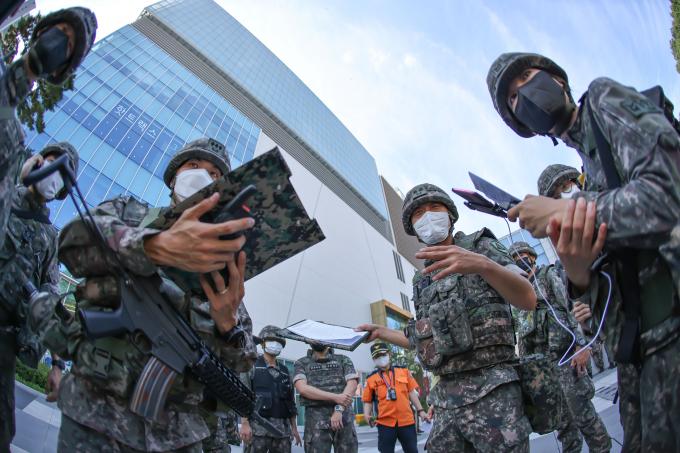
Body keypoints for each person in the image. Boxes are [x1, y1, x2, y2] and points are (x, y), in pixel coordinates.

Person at [487, 52, 680, 451]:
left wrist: (566, 210)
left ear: (557, 79)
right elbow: (606, 311)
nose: (524, 93)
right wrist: (579, 274)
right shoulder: (592, 169)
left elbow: (669, 193)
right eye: (512, 99)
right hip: (642, 356)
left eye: (527, 76)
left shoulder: (604, 98)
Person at [35, 137, 258, 452]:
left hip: (177, 437)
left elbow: (243, 362)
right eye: (194, 165)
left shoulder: (221, 269)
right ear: (173, 178)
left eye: (214, 174)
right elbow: (71, 242)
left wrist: (228, 325)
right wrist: (152, 247)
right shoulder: (130, 213)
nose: (203, 176)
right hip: (96, 411)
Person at [357, 183, 536, 452]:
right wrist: (381, 332)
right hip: (447, 401)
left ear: (450, 215)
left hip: (495, 392)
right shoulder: (422, 279)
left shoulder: (480, 245)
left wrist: (482, 264)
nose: (427, 216)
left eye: (434, 207)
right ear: (413, 228)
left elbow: (527, 298)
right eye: (418, 214)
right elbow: (421, 338)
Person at [0, 142, 78, 451]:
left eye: (64, 172)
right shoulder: (4, 197)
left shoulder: (49, 238)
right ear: (36, 161)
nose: (53, 171)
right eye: (51, 160)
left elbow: (51, 301)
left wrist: (57, 364)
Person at [0, 7, 96, 250]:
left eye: (69, 47)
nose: (59, 43)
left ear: (58, 71)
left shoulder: (12, 136)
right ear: (42, 30)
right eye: (62, 30)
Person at [508, 241, 611, 453]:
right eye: (514, 260)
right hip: (542, 367)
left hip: (566, 358)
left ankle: (602, 449)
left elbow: (571, 307)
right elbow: (522, 333)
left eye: (522, 257)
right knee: (563, 424)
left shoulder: (547, 276)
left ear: (532, 257)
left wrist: (582, 345)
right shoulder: (518, 294)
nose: (519, 262)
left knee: (583, 415)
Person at [537, 164, 616, 373]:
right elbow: (589, 317)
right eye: (556, 197)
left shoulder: (612, 212)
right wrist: (587, 313)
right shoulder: (571, 258)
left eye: (567, 186)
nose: (565, 196)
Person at [240, 325, 301, 453]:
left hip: (282, 432)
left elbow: (290, 402)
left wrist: (294, 428)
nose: (276, 344)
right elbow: (243, 397)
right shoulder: (251, 366)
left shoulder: (285, 371)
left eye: (279, 342)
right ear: (262, 343)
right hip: (258, 431)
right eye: (271, 341)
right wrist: (244, 424)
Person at [362, 342, 428, 453]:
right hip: (385, 423)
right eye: (377, 357)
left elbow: (411, 393)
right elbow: (367, 400)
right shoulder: (370, 379)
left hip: (406, 421)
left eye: (383, 354)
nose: (381, 358)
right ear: (374, 359)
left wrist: (421, 411)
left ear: (389, 354)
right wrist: (366, 415)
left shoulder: (404, 371)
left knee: (412, 450)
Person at [293, 343, 359, 453]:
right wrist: (336, 397)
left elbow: (352, 384)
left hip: (343, 417)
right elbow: (302, 389)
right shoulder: (301, 363)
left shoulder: (343, 359)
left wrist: (339, 409)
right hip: (316, 422)